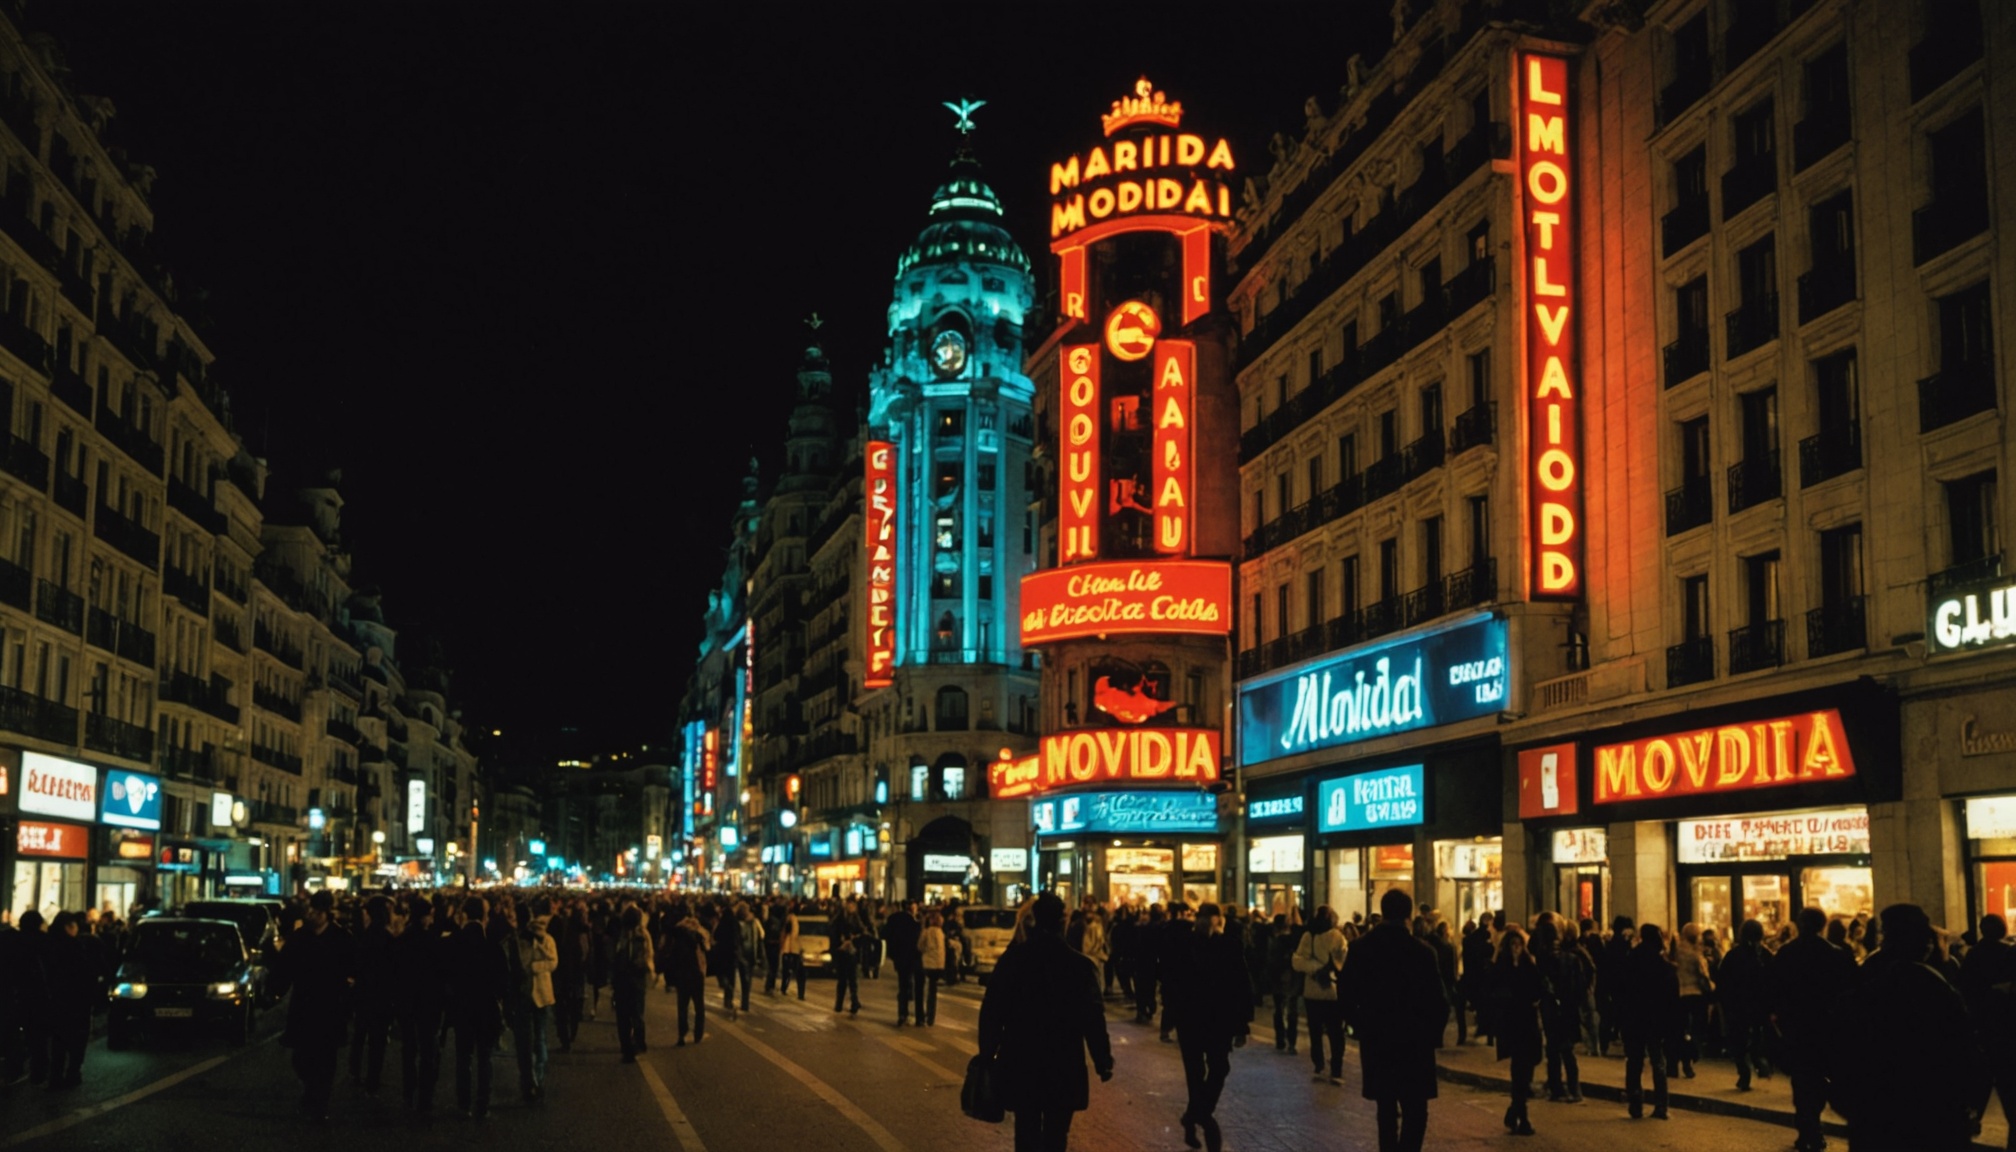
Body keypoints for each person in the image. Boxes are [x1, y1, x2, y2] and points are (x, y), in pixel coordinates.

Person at [1837, 903, 1987, 1152]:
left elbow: (1844, 1048)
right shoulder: (1938, 987)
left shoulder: (1870, 982)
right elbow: (1965, 1051)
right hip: (1934, 1113)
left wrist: (1854, 1105)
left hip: (1878, 1115)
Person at [978, 894, 1114, 1152]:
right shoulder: (1079, 966)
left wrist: (987, 1052)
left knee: (1026, 1130)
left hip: (1022, 1057)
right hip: (1063, 1060)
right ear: (1062, 921)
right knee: (1057, 1134)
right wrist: (1102, 1060)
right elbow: (1093, 1018)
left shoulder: (1013, 960)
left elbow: (993, 1010)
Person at [1339, 889, 1449, 1152]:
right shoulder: (1423, 952)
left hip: (1377, 1038)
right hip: (1414, 1040)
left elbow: (1345, 994)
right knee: (1415, 1109)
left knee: (1386, 1108)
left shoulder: (1361, 948)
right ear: (1408, 915)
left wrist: (1358, 1025)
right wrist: (1432, 1035)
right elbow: (1439, 1001)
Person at [1161, 902, 1250, 1152]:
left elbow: (1241, 985)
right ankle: (1199, 1116)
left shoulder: (1229, 946)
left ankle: (1196, 1114)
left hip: (1214, 1020)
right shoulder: (1184, 945)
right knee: (1198, 1072)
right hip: (1196, 1019)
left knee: (1216, 1068)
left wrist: (1242, 1024)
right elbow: (1170, 980)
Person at [1771, 907, 1855, 1152]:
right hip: (1826, 1026)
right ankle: (1813, 1127)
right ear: (1822, 925)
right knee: (1821, 1076)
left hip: (1797, 1026)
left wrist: (1779, 1018)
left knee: (1802, 1078)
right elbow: (1850, 992)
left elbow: (1774, 989)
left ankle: (1807, 1127)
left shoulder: (1786, 953)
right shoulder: (1837, 955)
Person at [273, 891, 357, 1123]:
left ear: (325, 913)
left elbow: (353, 967)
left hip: (330, 1006)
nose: (311, 915)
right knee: (301, 1057)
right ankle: (311, 1089)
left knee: (326, 1058)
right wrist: (276, 987)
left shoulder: (341, 938)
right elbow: (284, 966)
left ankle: (320, 1102)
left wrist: (347, 991)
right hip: (305, 1004)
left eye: (315, 911)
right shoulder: (300, 937)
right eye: (310, 910)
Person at [445, 896, 507, 1120]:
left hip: (462, 1006)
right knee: (485, 1057)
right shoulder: (491, 943)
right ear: (484, 915)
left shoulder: (454, 941)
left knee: (463, 1056)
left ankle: (463, 1103)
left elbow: (446, 975)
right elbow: (503, 979)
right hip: (486, 1007)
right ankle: (482, 1103)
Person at [1489, 924, 1545, 1136]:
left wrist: (1536, 1000)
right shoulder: (1501, 967)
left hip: (1528, 1022)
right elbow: (1494, 990)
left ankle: (1514, 1110)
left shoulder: (1529, 964)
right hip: (1512, 1024)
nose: (1516, 948)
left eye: (1519, 945)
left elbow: (1538, 987)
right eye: (1513, 944)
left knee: (1528, 1067)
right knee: (1519, 1069)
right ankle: (1523, 1117)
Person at [391, 895, 445, 1113]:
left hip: (407, 1000)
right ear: (424, 917)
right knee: (428, 1049)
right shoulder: (432, 940)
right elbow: (440, 974)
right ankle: (425, 1096)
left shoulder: (402, 940)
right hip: (428, 1001)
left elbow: (396, 972)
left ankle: (408, 1091)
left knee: (409, 1047)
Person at [1619, 923, 1677, 1121]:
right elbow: (1670, 996)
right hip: (1655, 1019)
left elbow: (1623, 991)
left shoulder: (1631, 960)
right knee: (1657, 1061)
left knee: (1634, 1061)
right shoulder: (1662, 964)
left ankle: (1635, 1103)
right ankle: (1661, 1105)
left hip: (1634, 1017)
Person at [1533, 917, 1588, 1103]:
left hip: (1552, 1007)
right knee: (1566, 1049)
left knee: (1554, 1049)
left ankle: (1557, 1088)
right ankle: (1573, 1088)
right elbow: (1580, 985)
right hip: (1567, 1007)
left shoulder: (1543, 960)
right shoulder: (1571, 958)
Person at [1292, 904, 1348, 1084]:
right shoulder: (1337, 936)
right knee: (1335, 1032)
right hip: (1332, 991)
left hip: (1312, 991)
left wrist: (1314, 969)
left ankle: (1319, 1065)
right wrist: (1326, 969)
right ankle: (1336, 1069)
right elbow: (1343, 960)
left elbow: (1298, 961)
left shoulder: (1308, 936)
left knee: (1315, 1031)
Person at [1716, 919, 1773, 1092]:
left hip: (1737, 1005)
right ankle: (1758, 1061)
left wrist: (1726, 1002)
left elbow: (1722, 980)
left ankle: (1744, 1072)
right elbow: (1774, 980)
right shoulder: (1765, 955)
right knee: (1756, 1036)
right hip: (1758, 1005)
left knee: (1737, 1040)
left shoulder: (1733, 955)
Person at [348, 895, 397, 1095]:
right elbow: (393, 969)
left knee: (360, 1034)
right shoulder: (387, 938)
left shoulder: (363, 936)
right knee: (377, 1040)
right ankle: (372, 1079)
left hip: (363, 992)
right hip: (382, 995)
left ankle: (355, 1071)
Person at [511, 901, 558, 1100]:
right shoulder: (517, 940)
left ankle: (537, 1077)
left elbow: (553, 962)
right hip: (524, 995)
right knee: (526, 1041)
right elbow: (519, 964)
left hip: (541, 994)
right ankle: (529, 1079)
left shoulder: (546, 939)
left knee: (540, 1038)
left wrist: (535, 963)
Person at [42, 913, 94, 1091]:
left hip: (56, 1000)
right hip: (76, 1001)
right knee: (78, 1039)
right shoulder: (74, 946)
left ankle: (55, 1077)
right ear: (68, 926)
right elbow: (85, 973)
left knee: (59, 1041)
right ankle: (73, 1073)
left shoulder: (48, 944)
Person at [611, 905, 654, 1061]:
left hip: (624, 979)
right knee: (636, 1014)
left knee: (624, 1016)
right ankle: (636, 1044)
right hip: (636, 979)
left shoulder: (622, 935)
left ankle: (629, 1047)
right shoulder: (642, 935)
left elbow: (613, 956)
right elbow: (649, 955)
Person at [664, 908, 711, 1044]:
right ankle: (698, 1034)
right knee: (699, 1005)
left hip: (682, 974)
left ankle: (682, 1034)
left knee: (682, 1006)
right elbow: (707, 952)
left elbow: (672, 956)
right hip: (697, 973)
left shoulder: (678, 936)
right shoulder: (700, 936)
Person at [1265, 913, 1302, 1056]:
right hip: (1292, 978)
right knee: (1292, 1011)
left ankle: (1280, 1039)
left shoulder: (1275, 941)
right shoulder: (1294, 940)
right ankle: (1291, 1042)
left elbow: (1271, 962)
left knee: (1279, 1009)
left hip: (1278, 979)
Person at [883, 900, 923, 1026]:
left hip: (899, 958)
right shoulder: (914, 923)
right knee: (914, 986)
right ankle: (916, 1016)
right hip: (912, 957)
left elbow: (886, 935)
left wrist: (893, 954)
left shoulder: (893, 919)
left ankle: (902, 1013)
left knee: (903, 985)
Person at [919, 910, 947, 1025]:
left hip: (928, 964)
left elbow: (920, 946)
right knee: (933, 989)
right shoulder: (941, 933)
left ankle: (928, 1013)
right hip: (939, 964)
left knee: (928, 989)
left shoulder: (926, 932)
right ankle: (931, 1015)